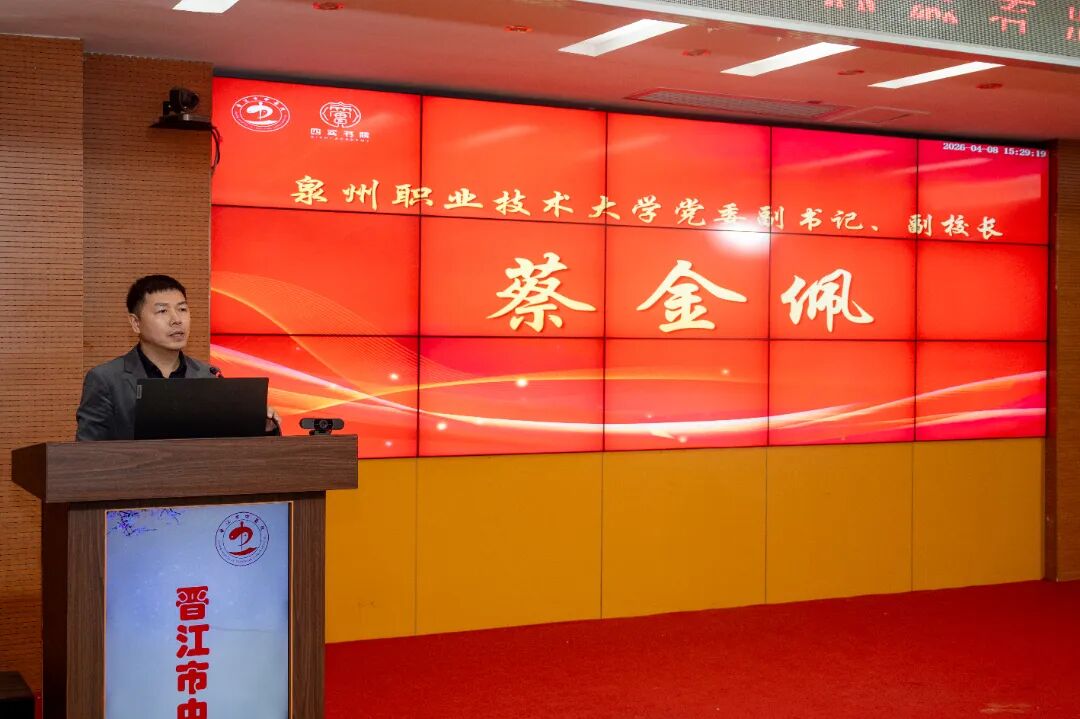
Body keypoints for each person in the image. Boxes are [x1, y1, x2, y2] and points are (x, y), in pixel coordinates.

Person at [76, 274, 280, 440]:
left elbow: (228, 447)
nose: (176, 320)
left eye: (182, 309)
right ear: (136, 323)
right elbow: (87, 456)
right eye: (162, 311)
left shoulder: (208, 376)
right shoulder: (106, 380)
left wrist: (261, 426)